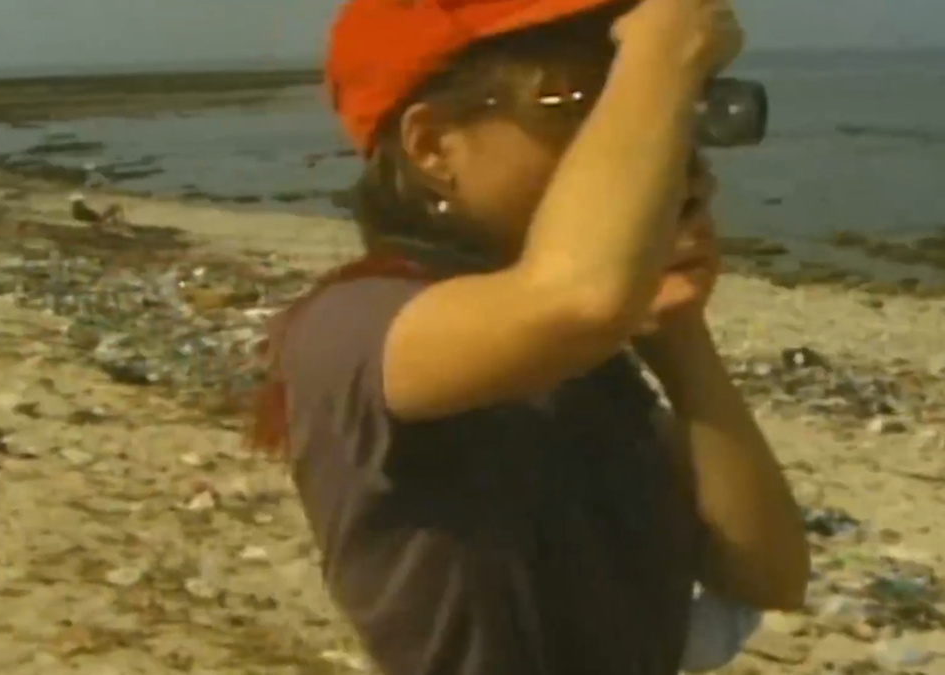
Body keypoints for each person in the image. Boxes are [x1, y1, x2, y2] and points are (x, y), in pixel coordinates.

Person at [250, 0, 812, 673]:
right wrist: (662, 55)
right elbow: (576, 297)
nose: (642, 147)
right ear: (433, 146)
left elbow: (767, 575)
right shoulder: (357, 321)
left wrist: (680, 342)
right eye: (583, 103)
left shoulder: (584, 363)